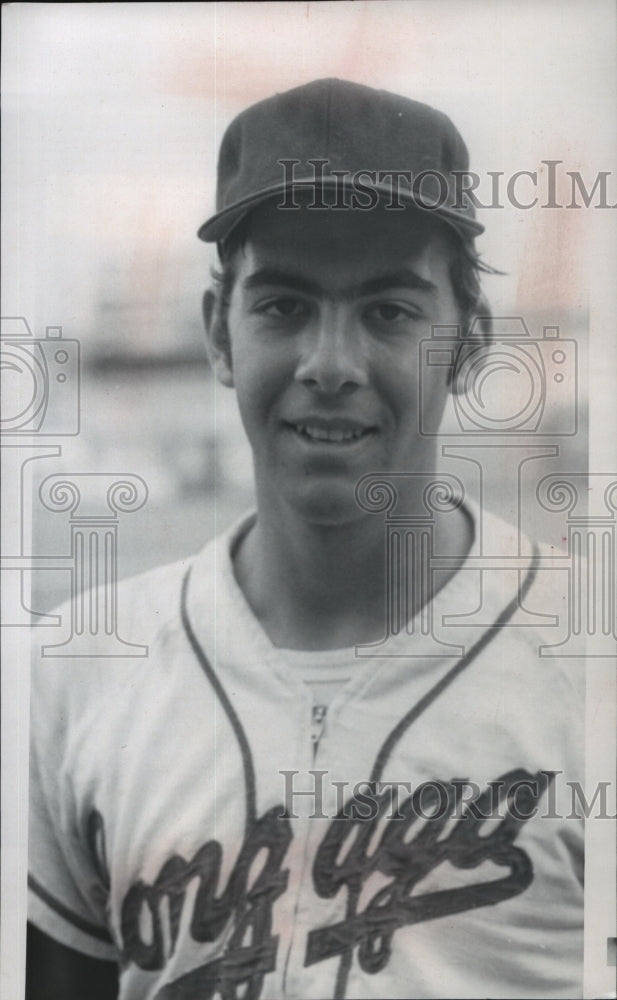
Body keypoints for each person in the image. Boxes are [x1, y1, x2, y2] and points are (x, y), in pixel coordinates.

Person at [27, 78, 583, 1000]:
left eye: (390, 311)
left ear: (469, 342)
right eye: (283, 306)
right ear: (219, 334)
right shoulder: (75, 670)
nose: (330, 365)